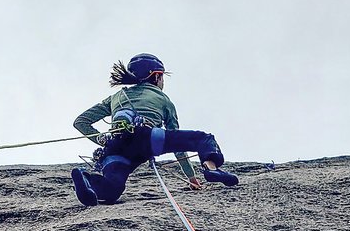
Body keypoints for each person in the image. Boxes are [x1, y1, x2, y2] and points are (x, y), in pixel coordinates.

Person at [70, 53, 238, 206]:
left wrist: (101, 139)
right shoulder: (163, 99)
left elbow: (81, 122)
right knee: (203, 139)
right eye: (162, 77)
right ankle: (212, 169)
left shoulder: (116, 97)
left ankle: (87, 180)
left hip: (115, 148)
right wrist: (191, 177)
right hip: (148, 139)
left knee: (113, 189)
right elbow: (178, 147)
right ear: (157, 76)